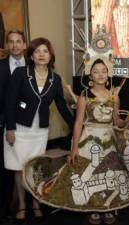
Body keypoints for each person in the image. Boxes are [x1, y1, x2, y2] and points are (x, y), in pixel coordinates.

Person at [4, 37, 74, 222]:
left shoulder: (55, 78)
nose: (41, 55)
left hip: (40, 131)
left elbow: (61, 106)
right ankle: (21, 205)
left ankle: (35, 202)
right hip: (18, 129)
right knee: (18, 168)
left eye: (45, 51)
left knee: (35, 168)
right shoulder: (21, 73)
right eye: (37, 51)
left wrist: (77, 124)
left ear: (50, 55)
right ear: (31, 56)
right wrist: (9, 129)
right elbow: (9, 102)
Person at [68, 58, 128, 224]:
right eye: (96, 71)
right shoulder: (84, 95)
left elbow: (116, 121)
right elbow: (79, 122)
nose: (100, 74)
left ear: (108, 74)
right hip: (89, 138)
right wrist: (74, 148)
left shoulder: (114, 96)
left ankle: (108, 207)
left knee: (109, 171)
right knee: (91, 173)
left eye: (103, 71)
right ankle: (94, 207)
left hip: (109, 138)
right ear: (90, 75)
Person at [0, 30, 26, 224]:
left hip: (28, 126)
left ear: (25, 45)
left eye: (19, 41)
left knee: (28, 165)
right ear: (7, 45)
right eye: (11, 42)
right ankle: (5, 208)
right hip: (3, 125)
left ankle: (31, 204)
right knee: (6, 168)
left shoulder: (34, 67)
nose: (15, 45)